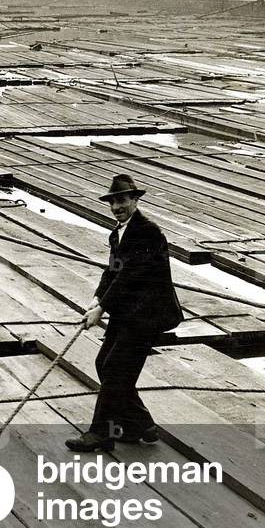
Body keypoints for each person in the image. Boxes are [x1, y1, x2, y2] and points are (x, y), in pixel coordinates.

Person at [65, 175, 183, 453]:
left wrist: (103, 308)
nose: (117, 206)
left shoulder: (147, 231)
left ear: (135, 200)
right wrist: (96, 300)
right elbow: (113, 271)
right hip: (126, 311)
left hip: (146, 314)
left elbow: (130, 275)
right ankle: (140, 424)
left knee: (115, 369)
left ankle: (100, 434)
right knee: (104, 363)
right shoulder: (119, 232)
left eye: (122, 200)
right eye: (113, 202)